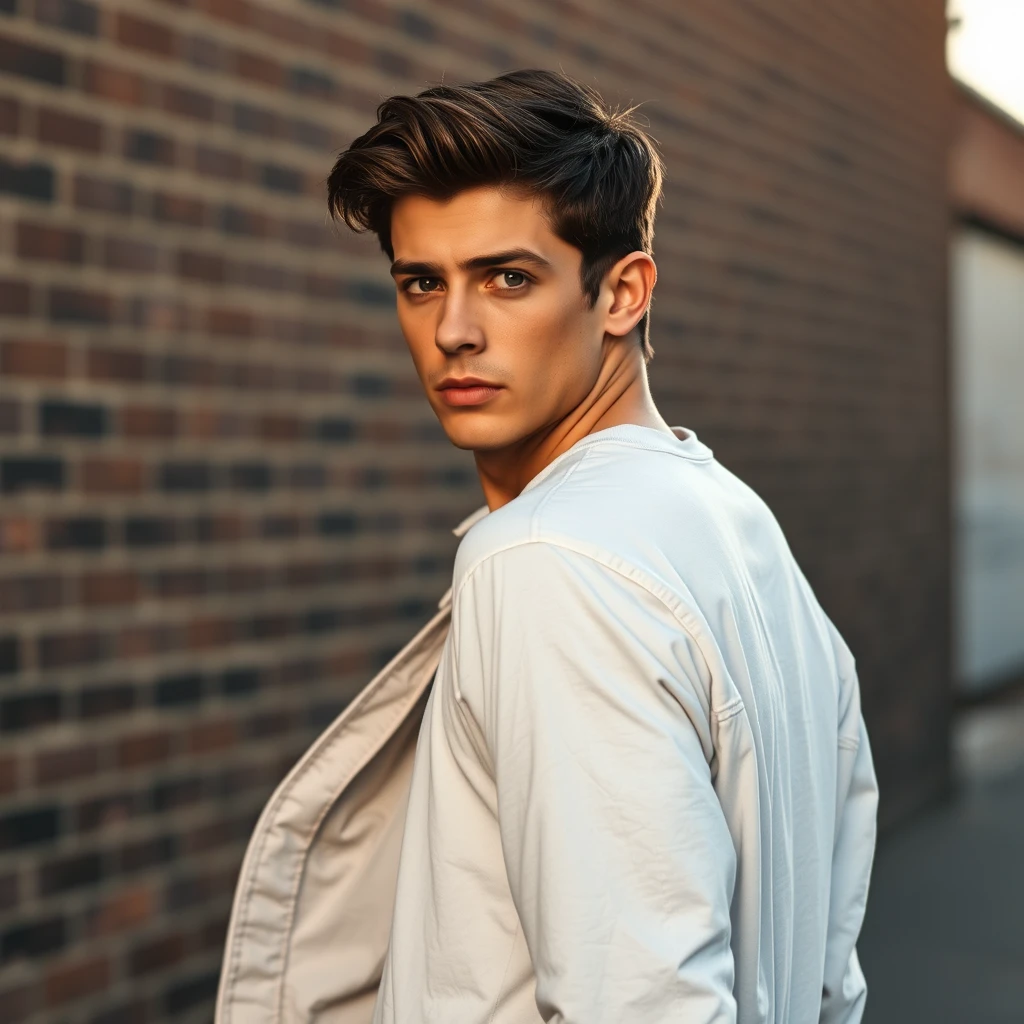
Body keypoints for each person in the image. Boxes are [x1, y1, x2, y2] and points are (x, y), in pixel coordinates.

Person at [215, 69, 878, 1024]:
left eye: (507, 278)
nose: (452, 330)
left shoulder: (545, 560)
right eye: (420, 283)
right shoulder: (738, 528)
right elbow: (831, 974)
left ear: (622, 293)